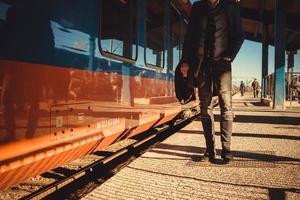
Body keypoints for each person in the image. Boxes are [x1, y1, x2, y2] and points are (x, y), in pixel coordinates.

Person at [180, 0, 244, 163]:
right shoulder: (198, 8)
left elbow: (239, 35)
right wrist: (185, 60)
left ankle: (226, 149)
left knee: (226, 106)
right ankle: (210, 150)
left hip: (222, 65)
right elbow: (190, 36)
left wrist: (230, 55)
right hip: (201, 65)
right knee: (204, 107)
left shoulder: (231, 7)